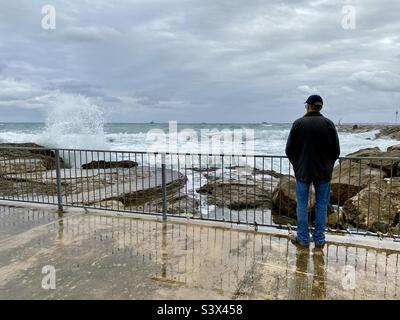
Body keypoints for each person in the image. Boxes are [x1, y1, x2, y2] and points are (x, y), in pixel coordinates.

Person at [285, 95, 340, 248]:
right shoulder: (328, 124)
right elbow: (336, 151)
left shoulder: (299, 124)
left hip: (303, 172)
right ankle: (319, 239)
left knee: (302, 205)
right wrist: (328, 164)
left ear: (308, 106)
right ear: (320, 107)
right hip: (324, 172)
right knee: (322, 205)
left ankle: (302, 238)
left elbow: (289, 149)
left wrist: (297, 164)